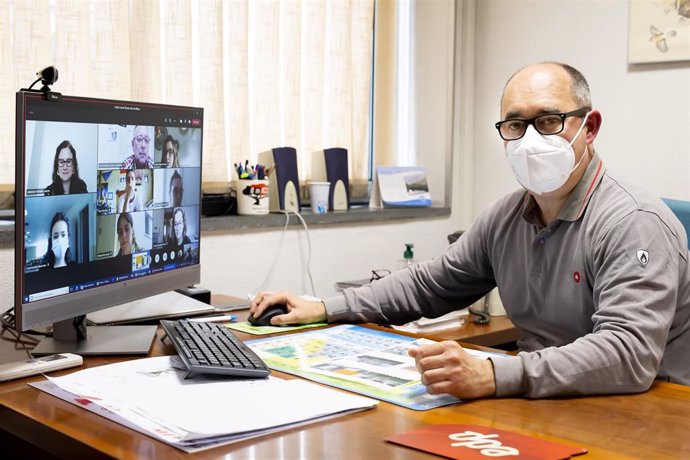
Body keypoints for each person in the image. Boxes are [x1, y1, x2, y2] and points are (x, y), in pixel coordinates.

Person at [250, 62, 690, 399]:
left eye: (549, 121)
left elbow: (628, 356)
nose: (530, 139)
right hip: (546, 402)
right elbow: (431, 284)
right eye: (516, 124)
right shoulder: (506, 217)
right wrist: (325, 306)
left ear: (589, 128)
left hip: (646, 411)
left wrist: (495, 372)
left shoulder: (632, 222)